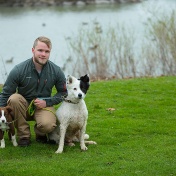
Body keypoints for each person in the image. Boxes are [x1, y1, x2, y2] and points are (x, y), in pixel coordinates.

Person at [0, 36, 67, 147]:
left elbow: (64, 93)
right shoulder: (19, 70)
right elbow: (5, 94)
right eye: (40, 50)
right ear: (33, 50)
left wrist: (48, 102)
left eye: (47, 51)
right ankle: (24, 136)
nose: (43, 54)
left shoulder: (56, 71)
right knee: (14, 99)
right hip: (22, 107)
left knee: (48, 125)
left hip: (43, 106)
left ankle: (40, 133)